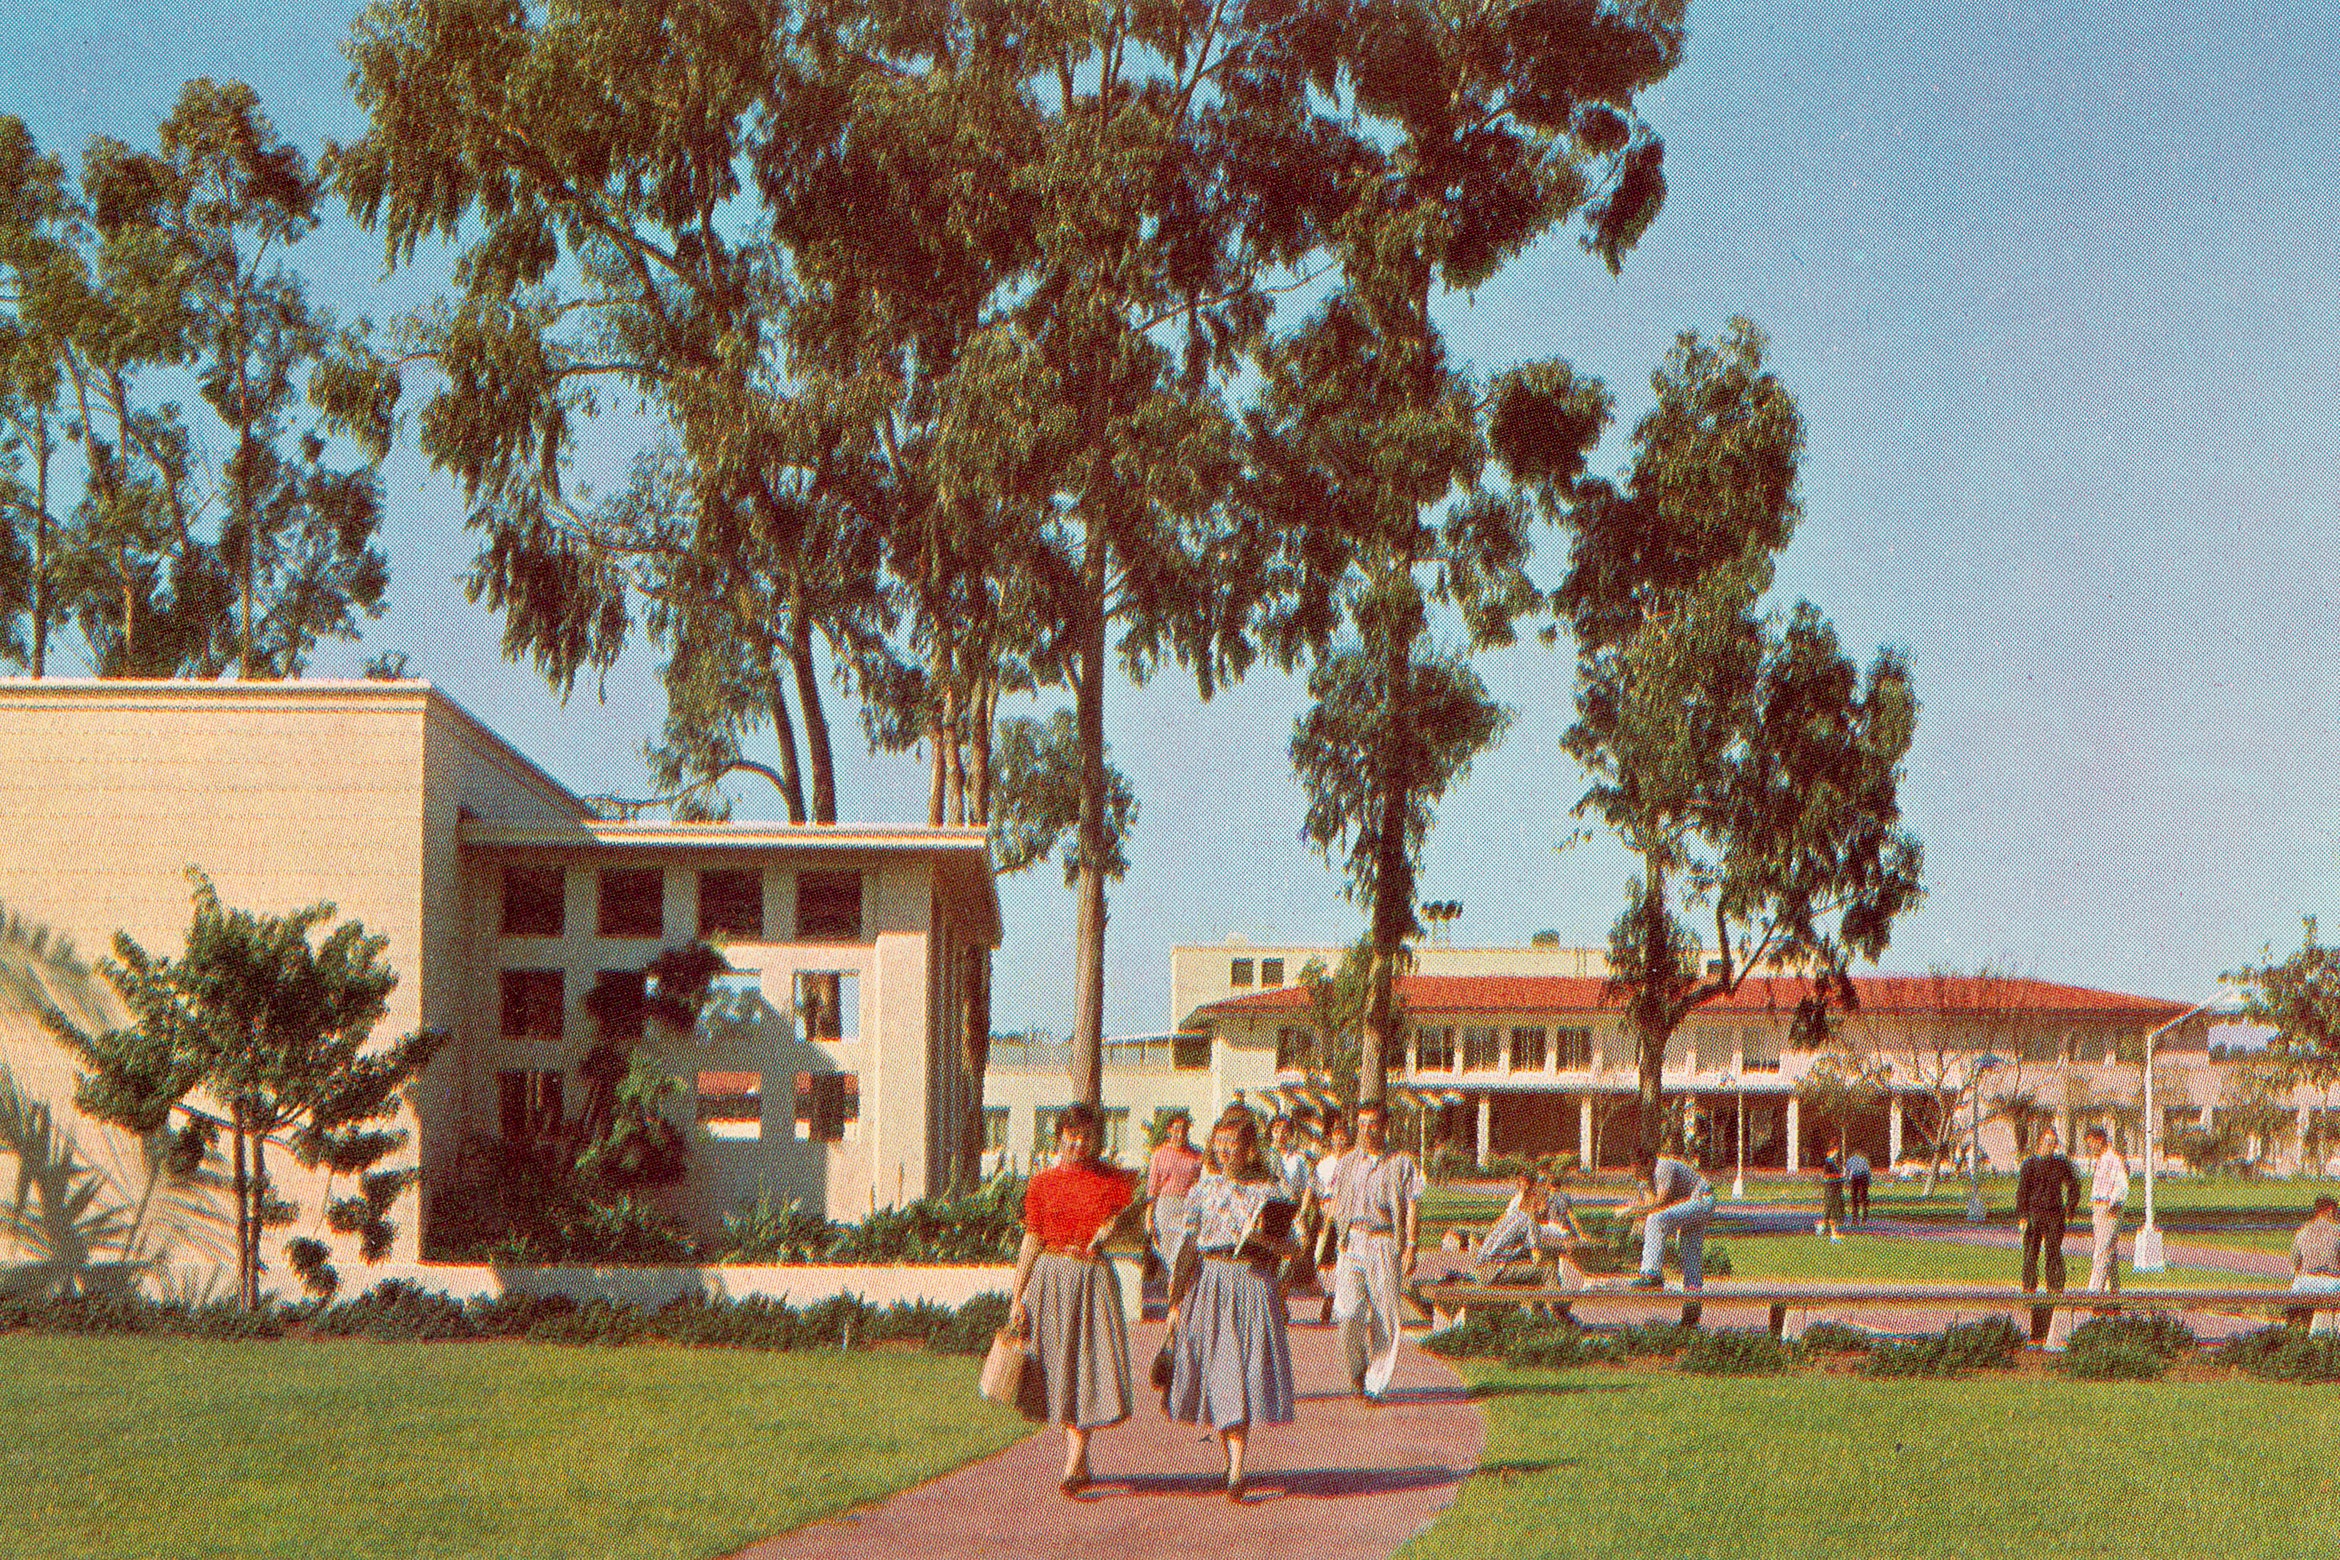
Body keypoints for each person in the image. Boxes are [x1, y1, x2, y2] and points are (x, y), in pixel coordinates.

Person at [1163, 1107, 1298, 1501]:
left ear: (1250, 1148)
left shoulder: (1271, 1191)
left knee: (1245, 1375)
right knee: (1223, 1376)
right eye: (1218, 1142)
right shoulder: (1202, 1190)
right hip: (1211, 1284)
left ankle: (1236, 1464)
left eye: (1232, 1143)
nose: (1223, 1151)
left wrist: (1263, 1239)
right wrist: (1175, 1303)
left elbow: (1292, 1249)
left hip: (1253, 1285)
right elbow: (1187, 1249)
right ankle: (1235, 1465)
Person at [1010, 1103, 1139, 1495]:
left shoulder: (1112, 1180)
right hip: (1051, 1277)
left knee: (1087, 1365)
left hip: (1092, 1278)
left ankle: (1073, 1463)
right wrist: (1017, 1295)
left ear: (1095, 1140)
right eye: (1072, 1135)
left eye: (1086, 1137)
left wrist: (1114, 1229)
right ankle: (1079, 1458)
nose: (1078, 1143)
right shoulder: (1042, 1184)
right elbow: (1032, 1239)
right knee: (1060, 1368)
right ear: (1059, 1135)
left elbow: (1136, 1225)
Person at [1332, 1099, 1423, 1402]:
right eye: (1361, 1124)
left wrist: (1410, 1246)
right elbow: (1335, 1200)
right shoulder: (1347, 1162)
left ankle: (1375, 1383)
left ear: (1385, 1126)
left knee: (1385, 1316)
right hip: (1352, 1241)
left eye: (1372, 1123)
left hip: (1383, 1241)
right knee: (1348, 1313)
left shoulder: (1401, 1163)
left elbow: (1412, 1206)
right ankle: (1357, 1371)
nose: (1366, 1130)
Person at [1620, 1147, 1716, 1324]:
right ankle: (1691, 1316)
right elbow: (1650, 1204)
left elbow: (1660, 1204)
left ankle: (1651, 1273)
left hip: (1701, 1200)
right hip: (1691, 1206)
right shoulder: (1646, 1178)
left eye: (1636, 1167)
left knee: (1656, 1219)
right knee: (1691, 1260)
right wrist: (1643, 1188)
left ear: (1648, 1163)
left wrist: (1633, 1210)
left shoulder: (1663, 1166)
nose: (1633, 1172)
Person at [2014, 1126, 2081, 1345]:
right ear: (2039, 1143)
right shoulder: (2029, 1165)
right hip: (2034, 1213)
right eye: (2047, 1142)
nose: (2050, 1146)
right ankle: (2029, 1287)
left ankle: (2055, 1287)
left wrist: (2070, 1207)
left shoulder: (2060, 1164)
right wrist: (2022, 1216)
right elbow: (2022, 1192)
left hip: (2054, 1214)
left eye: (2053, 1143)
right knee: (2030, 1253)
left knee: (2053, 1252)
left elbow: (2074, 1185)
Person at [1148, 1109, 1204, 1292]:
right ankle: (1174, 1297)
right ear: (1169, 1130)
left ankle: (1184, 1294)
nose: (1180, 1133)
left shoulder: (1196, 1155)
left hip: (1188, 1206)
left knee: (1185, 1253)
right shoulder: (1159, 1154)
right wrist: (1149, 1217)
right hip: (1166, 1206)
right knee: (1170, 1256)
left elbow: (1201, 1184)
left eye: (1184, 1129)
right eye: (1177, 1129)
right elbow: (1153, 1188)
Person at [1310, 1110, 1352, 1321]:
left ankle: (1340, 1300)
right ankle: (1328, 1296)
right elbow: (1316, 1192)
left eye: (1343, 1136)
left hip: (1347, 1217)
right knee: (1324, 1262)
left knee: (1344, 1259)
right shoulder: (1324, 1164)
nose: (1340, 1140)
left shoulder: (1353, 1163)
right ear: (1331, 1138)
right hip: (1327, 1219)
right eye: (1337, 1136)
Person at [2082, 1124, 2128, 1301]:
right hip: (2099, 1207)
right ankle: (2113, 1294)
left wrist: (2112, 1204)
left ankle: (2093, 1294)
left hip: (2108, 1210)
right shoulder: (2101, 1160)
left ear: (2100, 1139)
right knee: (2109, 1253)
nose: (2090, 1147)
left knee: (2102, 1252)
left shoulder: (2113, 1159)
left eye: (2091, 1142)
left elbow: (2122, 1186)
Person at [2290, 1195, 2340, 1335]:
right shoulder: (2337, 1231)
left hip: (2305, 1283)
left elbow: (2296, 1263)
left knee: (2296, 1284)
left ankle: (2298, 1331)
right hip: (2331, 1282)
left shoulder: (2302, 1231)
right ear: (2330, 1210)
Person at [1816, 1137, 1847, 1242]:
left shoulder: (1832, 1162)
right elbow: (1827, 1176)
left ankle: (1832, 1232)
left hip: (1834, 1188)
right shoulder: (1829, 1162)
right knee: (1831, 1210)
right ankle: (1831, 1233)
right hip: (1832, 1189)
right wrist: (1840, 1177)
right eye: (1836, 1151)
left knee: (1832, 1211)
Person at [1845, 1146, 1873, 1225]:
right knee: (1864, 1197)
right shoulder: (1864, 1160)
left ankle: (1855, 1218)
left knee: (1854, 1198)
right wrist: (1869, 1181)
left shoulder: (1850, 1160)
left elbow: (1847, 1171)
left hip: (1855, 1177)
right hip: (1863, 1177)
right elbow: (1868, 1171)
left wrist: (1847, 1182)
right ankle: (1864, 1218)